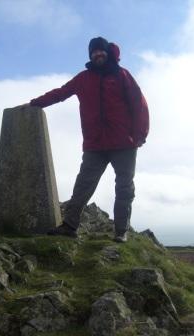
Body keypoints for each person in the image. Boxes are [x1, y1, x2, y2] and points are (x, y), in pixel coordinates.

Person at [28, 37, 149, 242]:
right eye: (93, 52)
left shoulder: (122, 75)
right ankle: (69, 226)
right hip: (95, 144)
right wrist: (35, 104)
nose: (97, 55)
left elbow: (139, 104)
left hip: (124, 143)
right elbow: (61, 93)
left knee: (124, 187)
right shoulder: (83, 78)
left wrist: (139, 135)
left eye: (100, 51)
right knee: (83, 184)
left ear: (107, 53)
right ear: (90, 55)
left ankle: (121, 231)